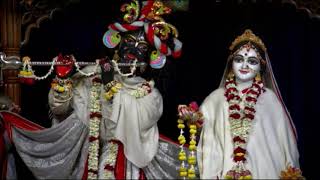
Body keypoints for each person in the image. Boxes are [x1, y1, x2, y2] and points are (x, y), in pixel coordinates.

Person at [0, 0, 183, 179]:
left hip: (129, 170)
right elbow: (59, 110)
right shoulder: (91, 75)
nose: (132, 49)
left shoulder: (151, 96)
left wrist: (111, 85)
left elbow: (133, 128)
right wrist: (63, 80)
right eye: (128, 41)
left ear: (150, 56)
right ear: (117, 44)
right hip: (89, 165)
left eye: (141, 47)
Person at [195, 29, 303, 179]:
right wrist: (192, 118)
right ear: (231, 63)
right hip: (226, 167)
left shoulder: (269, 99)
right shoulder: (216, 98)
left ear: (261, 67)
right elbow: (202, 126)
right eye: (239, 59)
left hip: (266, 169)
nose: (244, 65)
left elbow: (285, 140)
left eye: (252, 61)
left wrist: (290, 168)